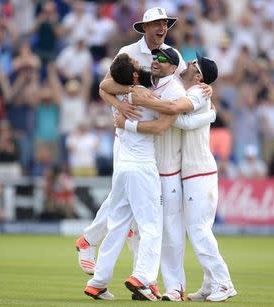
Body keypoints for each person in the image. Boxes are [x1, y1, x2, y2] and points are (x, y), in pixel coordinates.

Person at [75, 7, 185, 295]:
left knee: (121, 218)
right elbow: (106, 84)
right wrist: (127, 103)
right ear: (144, 27)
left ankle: (97, 277)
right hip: (134, 151)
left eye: (165, 23)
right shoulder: (130, 56)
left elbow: (173, 92)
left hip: (134, 152)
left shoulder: (169, 62)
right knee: (150, 223)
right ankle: (145, 278)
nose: (162, 28)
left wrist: (129, 102)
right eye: (156, 23)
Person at [119, 52, 237, 302]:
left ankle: (215, 283)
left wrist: (211, 115)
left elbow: (176, 117)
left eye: (194, 63)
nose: (189, 63)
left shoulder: (195, 92)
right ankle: (194, 284)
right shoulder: (172, 86)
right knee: (145, 229)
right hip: (170, 171)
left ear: (199, 75)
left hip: (191, 172)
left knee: (190, 230)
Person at [84, 53, 162, 301]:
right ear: (135, 75)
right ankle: (143, 276)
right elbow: (168, 112)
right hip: (142, 168)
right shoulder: (142, 95)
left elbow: (104, 85)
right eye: (137, 65)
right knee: (151, 226)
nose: (141, 64)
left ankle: (98, 282)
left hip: (123, 169)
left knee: (117, 227)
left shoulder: (116, 95)